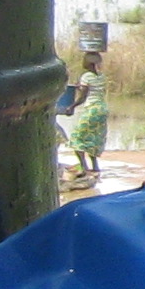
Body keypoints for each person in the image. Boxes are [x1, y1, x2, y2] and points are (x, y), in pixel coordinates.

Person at [59, 49, 109, 191]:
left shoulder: (86, 76)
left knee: (77, 139)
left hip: (92, 109)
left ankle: (84, 168)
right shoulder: (101, 76)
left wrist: (71, 106)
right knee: (93, 138)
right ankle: (95, 166)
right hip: (102, 109)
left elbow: (83, 97)